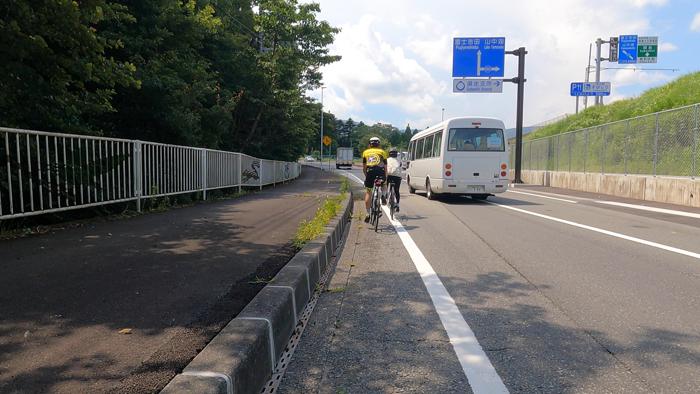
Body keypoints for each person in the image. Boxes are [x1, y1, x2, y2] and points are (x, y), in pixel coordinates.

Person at [362, 137, 388, 223]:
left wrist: (367, 176)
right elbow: (385, 167)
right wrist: (385, 177)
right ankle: (383, 195)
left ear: (370, 144)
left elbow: (364, 167)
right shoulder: (382, 152)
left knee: (368, 191)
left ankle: (367, 213)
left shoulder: (365, 152)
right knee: (384, 184)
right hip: (380, 172)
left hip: (370, 172)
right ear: (379, 144)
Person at [386, 147, 402, 212]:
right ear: (396, 154)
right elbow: (400, 166)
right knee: (397, 190)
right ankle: (397, 204)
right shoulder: (399, 161)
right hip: (397, 177)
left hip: (388, 176)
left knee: (385, 187)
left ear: (389, 154)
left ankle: (384, 196)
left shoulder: (386, 160)